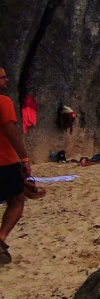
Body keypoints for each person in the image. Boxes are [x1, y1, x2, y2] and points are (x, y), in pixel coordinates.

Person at [0, 66, 33, 265]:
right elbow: (11, 132)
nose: (7, 80)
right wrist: (25, 159)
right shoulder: (4, 102)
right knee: (17, 201)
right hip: (4, 162)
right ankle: (1, 238)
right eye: (3, 77)